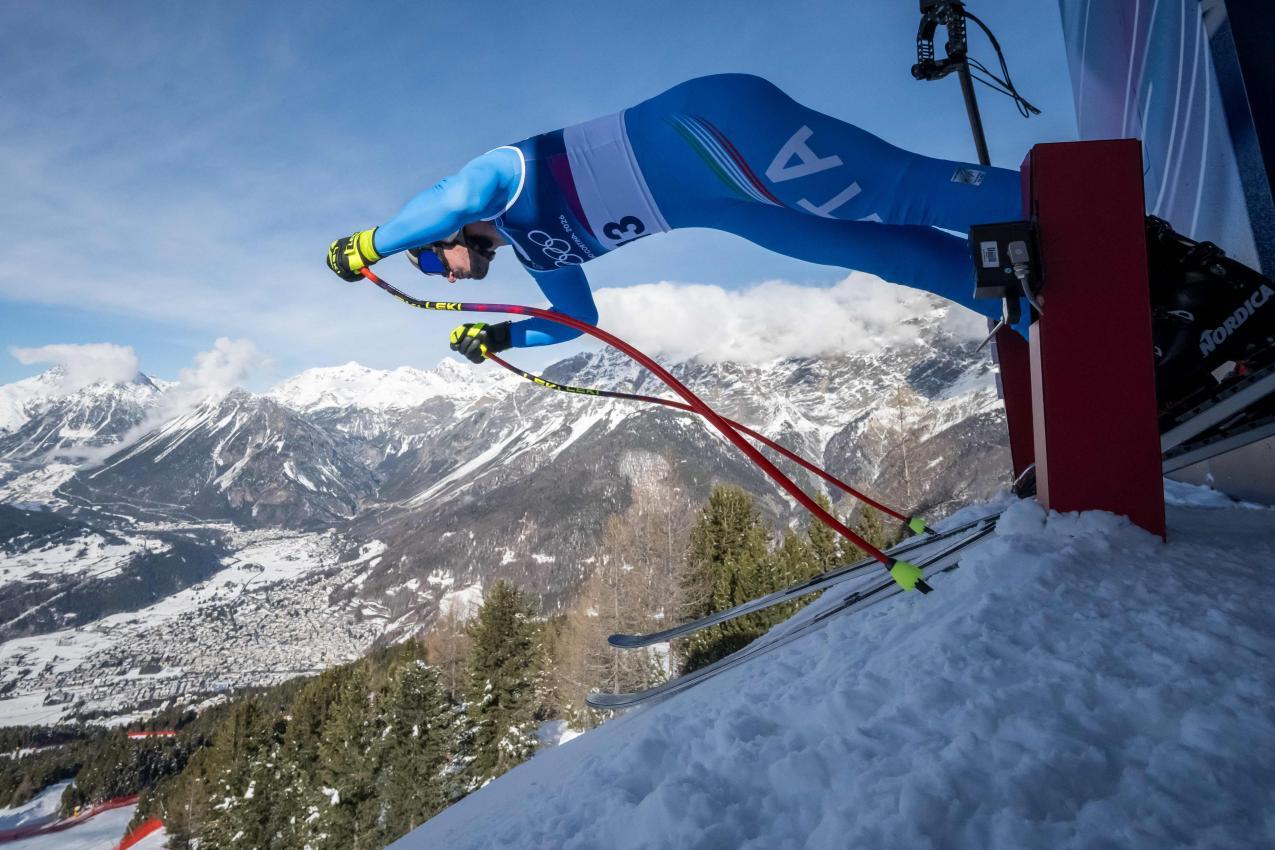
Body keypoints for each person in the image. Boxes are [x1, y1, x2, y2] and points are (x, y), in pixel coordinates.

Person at [327, 73, 1025, 364]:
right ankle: (1045, 315)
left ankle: (1074, 212)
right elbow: (578, 321)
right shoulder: (539, 251)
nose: (435, 272)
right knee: (890, 255)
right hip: (725, 205)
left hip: (713, 127)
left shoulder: (500, 176)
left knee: (888, 194)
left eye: (425, 257)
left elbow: (446, 202)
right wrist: (503, 337)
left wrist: (370, 244)